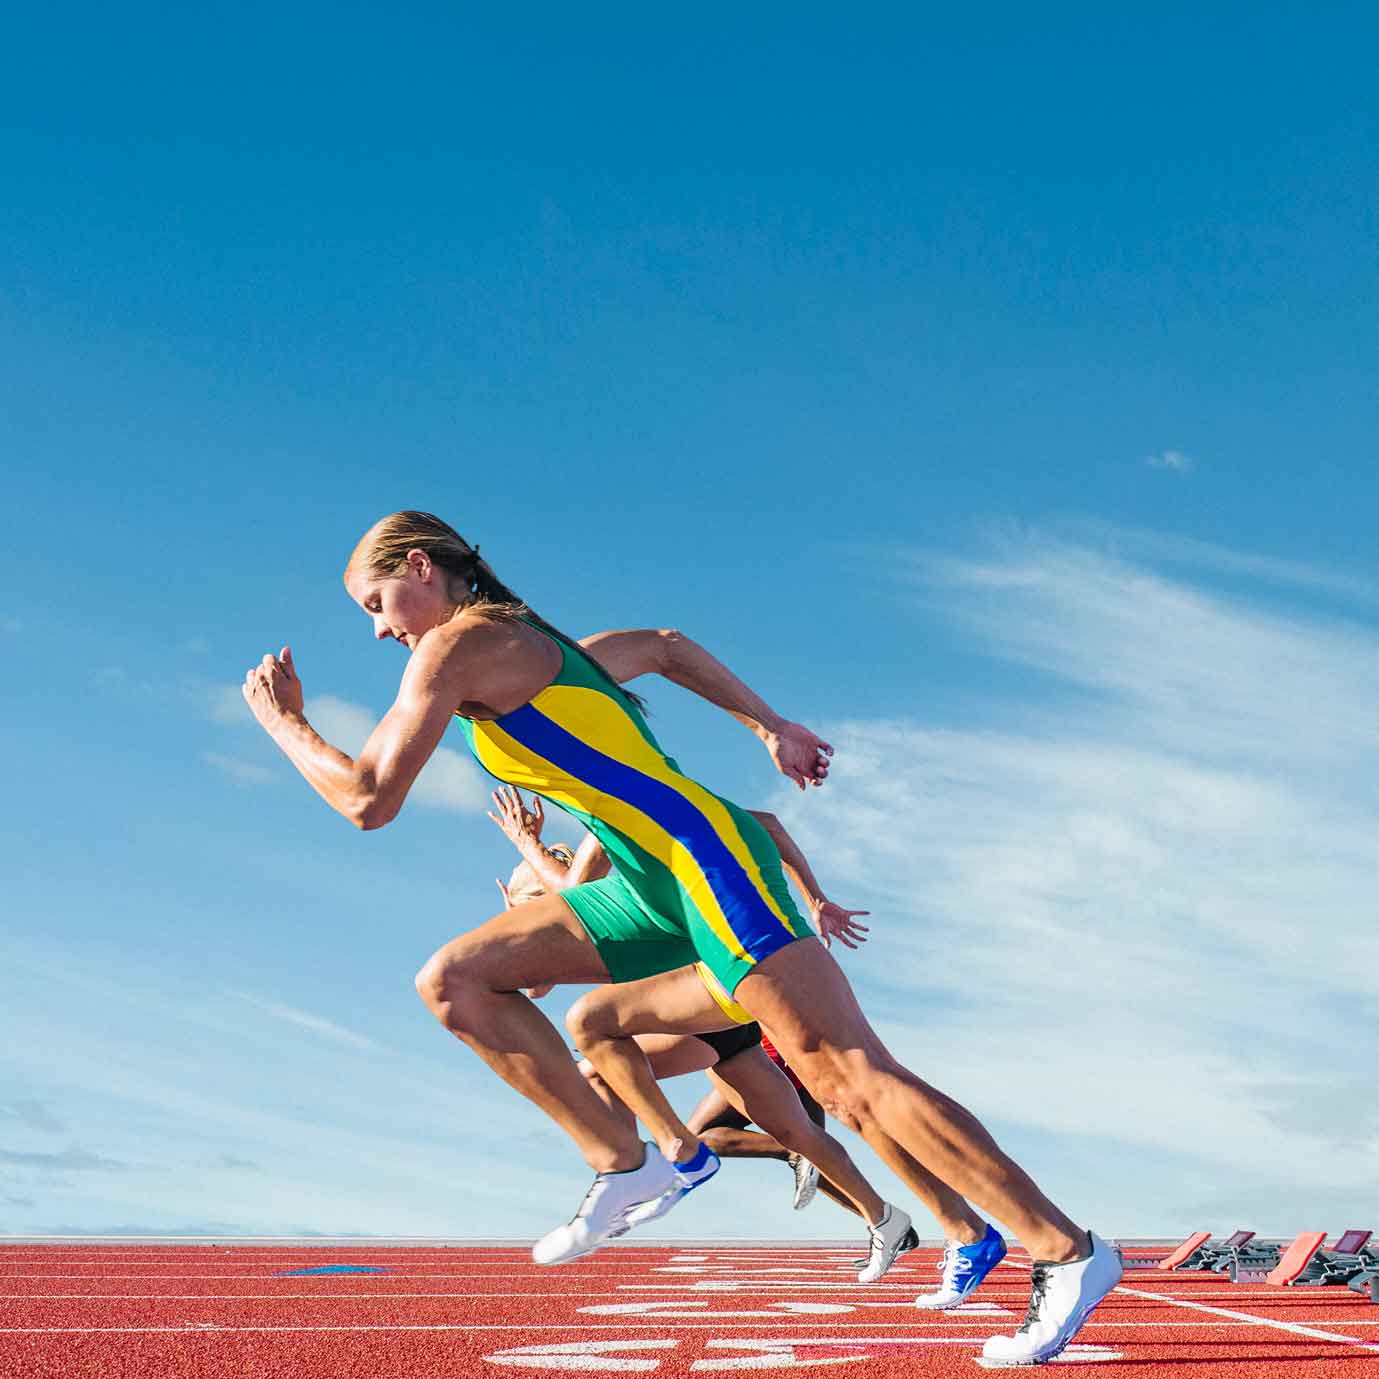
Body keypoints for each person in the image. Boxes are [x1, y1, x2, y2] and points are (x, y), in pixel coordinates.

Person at [242, 510, 1122, 1365]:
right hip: (649, 882)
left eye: (374, 602)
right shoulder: (544, 648)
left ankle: (1064, 1248)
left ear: (422, 570)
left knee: (850, 1078)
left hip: (704, 861)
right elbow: (661, 644)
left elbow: (368, 797)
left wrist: (284, 722)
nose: (376, 629)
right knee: (459, 980)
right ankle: (626, 1161)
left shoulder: (458, 644)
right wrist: (770, 726)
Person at [490, 783, 1007, 1304]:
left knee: (856, 1099)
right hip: (715, 996)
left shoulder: (627, 811)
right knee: (818, 1122)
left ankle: (648, 1164)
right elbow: (544, 961)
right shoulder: (621, 826)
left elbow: (578, 896)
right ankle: (899, 1221)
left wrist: (530, 853)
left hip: (737, 972)